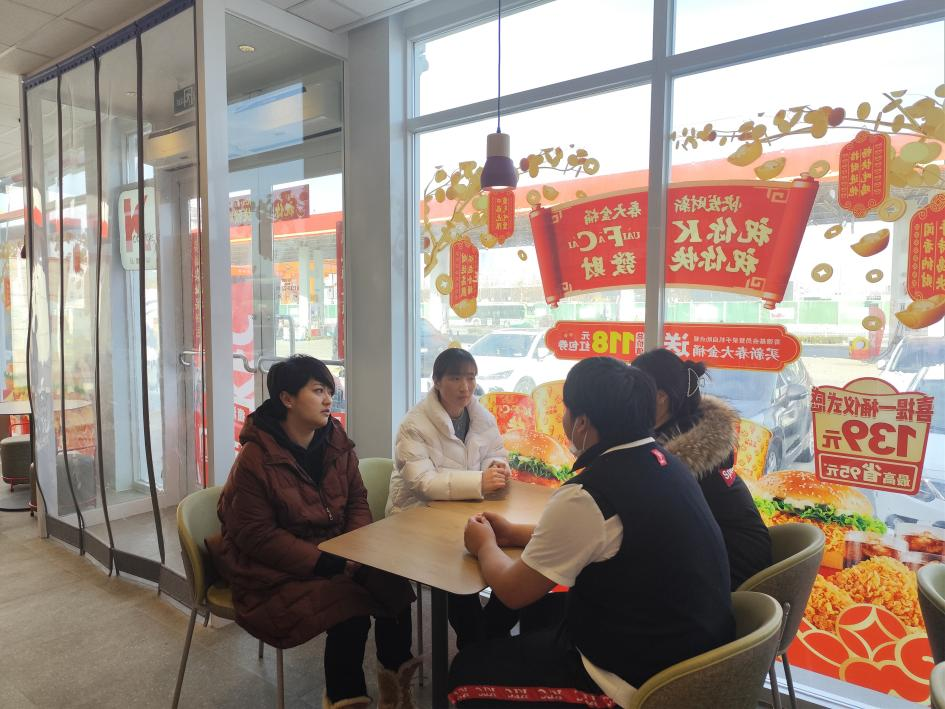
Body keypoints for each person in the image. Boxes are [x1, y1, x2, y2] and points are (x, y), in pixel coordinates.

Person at [449, 356, 735, 708]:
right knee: (541, 613)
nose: (564, 418)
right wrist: (512, 533)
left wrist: (484, 544)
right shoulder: (665, 462)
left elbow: (512, 591)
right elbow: (603, 534)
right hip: (696, 655)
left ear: (582, 423)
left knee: (466, 670)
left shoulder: (588, 493)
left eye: (566, 410)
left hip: (641, 680)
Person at [207, 355, 418, 709]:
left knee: (392, 584)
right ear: (287, 399)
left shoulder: (334, 439)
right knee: (348, 605)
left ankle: (395, 690)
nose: (328, 400)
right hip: (270, 568)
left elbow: (357, 500)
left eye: (329, 391)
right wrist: (325, 561)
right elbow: (257, 536)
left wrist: (353, 548)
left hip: (334, 550)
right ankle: (345, 698)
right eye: (318, 390)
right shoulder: (256, 458)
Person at [389, 347, 514, 649]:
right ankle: (476, 647)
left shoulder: (480, 415)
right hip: (418, 516)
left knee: (514, 563)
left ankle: (486, 640)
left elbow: (496, 452)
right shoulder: (414, 425)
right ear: (436, 381)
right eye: (456, 378)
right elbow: (423, 483)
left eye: (471, 378)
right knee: (460, 573)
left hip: (463, 511)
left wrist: (497, 468)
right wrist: (480, 482)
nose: (465, 387)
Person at [632, 348, 772, 588]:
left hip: (731, 575)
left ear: (660, 396)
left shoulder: (672, 460)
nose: (626, 397)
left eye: (632, 388)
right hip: (737, 561)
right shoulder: (689, 430)